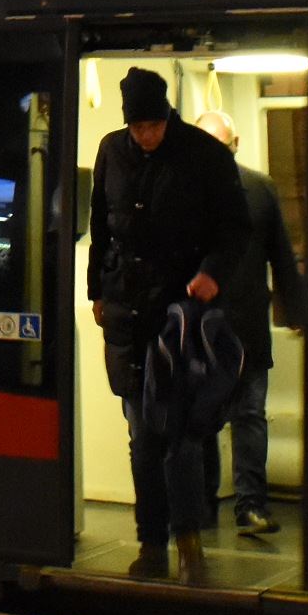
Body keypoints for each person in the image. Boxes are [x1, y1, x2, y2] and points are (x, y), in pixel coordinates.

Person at [88, 68, 248, 582]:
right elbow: (99, 228)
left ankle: (189, 543)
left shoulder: (205, 156)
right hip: (127, 317)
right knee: (141, 435)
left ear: (167, 116)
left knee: (178, 434)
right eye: (137, 127)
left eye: (153, 125)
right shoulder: (111, 153)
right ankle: (152, 544)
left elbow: (234, 228)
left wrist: (211, 275)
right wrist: (96, 290)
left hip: (179, 318)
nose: (145, 136)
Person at [194, 112, 306, 539]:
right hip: (202, 328)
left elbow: (281, 253)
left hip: (240, 325)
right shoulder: (188, 192)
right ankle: (210, 505)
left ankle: (248, 505)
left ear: (235, 143)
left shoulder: (259, 189)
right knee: (207, 421)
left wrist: (296, 310)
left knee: (247, 417)